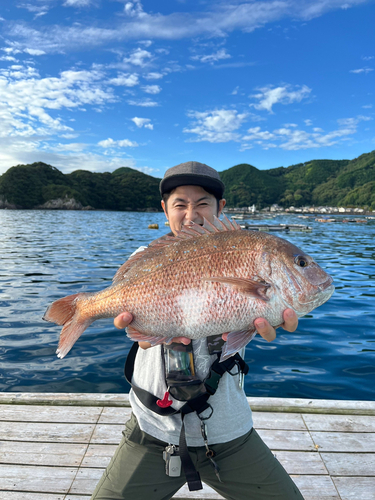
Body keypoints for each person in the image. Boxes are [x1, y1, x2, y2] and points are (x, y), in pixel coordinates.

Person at [91, 161, 304, 500]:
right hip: (152, 431)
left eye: (203, 203)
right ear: (165, 210)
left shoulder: (245, 249)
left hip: (228, 434)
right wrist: (143, 332)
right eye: (180, 204)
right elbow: (133, 318)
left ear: (221, 208)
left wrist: (279, 315)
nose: (191, 214)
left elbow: (253, 312)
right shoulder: (145, 258)